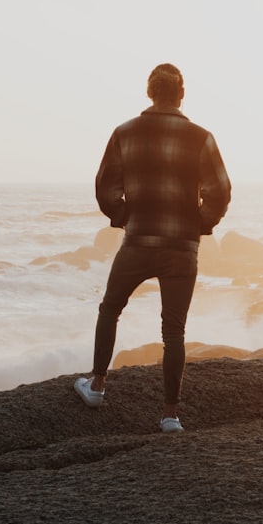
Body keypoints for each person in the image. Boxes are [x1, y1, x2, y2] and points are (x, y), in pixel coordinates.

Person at [74, 63, 231, 433]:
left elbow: (105, 186)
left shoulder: (125, 133)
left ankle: (97, 386)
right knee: (174, 330)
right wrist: (199, 223)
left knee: (110, 308)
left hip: (139, 240)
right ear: (181, 94)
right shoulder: (201, 137)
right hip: (181, 246)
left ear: (150, 92)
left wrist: (125, 215)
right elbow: (220, 191)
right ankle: (170, 416)